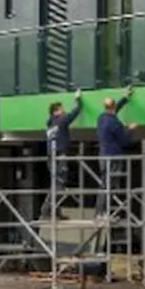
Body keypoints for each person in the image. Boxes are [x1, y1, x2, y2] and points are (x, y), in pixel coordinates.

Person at [95, 88, 137, 220]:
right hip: (113, 156)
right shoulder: (115, 123)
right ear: (112, 107)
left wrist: (125, 98)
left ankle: (101, 213)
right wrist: (129, 129)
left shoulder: (101, 118)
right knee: (109, 186)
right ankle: (102, 214)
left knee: (105, 185)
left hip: (103, 155)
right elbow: (124, 141)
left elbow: (113, 111)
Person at [40, 89, 81, 220]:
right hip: (60, 155)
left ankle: (54, 211)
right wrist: (78, 98)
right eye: (61, 109)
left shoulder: (50, 124)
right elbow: (75, 112)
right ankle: (46, 210)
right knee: (59, 184)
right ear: (56, 112)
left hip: (51, 156)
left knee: (56, 184)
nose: (63, 111)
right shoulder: (61, 120)